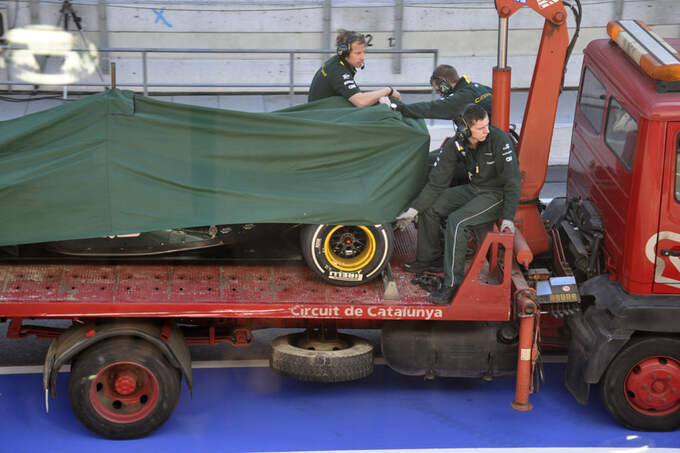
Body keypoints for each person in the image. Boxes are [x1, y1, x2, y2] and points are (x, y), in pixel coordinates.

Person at [395, 103, 521, 305]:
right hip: (474, 190)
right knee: (431, 206)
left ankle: (452, 284)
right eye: (480, 128)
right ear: (464, 129)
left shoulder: (499, 140)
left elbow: (513, 181)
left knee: (457, 221)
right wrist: (413, 209)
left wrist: (508, 217)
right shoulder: (455, 144)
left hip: (496, 195)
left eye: (487, 125)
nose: (486, 130)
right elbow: (437, 182)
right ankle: (429, 257)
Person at [308, 30, 401, 107]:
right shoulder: (338, 71)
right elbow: (361, 102)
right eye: (358, 53)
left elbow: (356, 95)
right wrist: (388, 90)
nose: (363, 57)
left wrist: (378, 97)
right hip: (322, 117)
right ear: (344, 53)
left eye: (363, 52)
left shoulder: (337, 63)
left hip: (325, 111)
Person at [383, 64, 492, 124]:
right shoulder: (478, 87)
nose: (440, 95)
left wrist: (398, 108)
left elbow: (431, 108)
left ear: (444, 84)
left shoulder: (462, 97)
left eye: (438, 90)